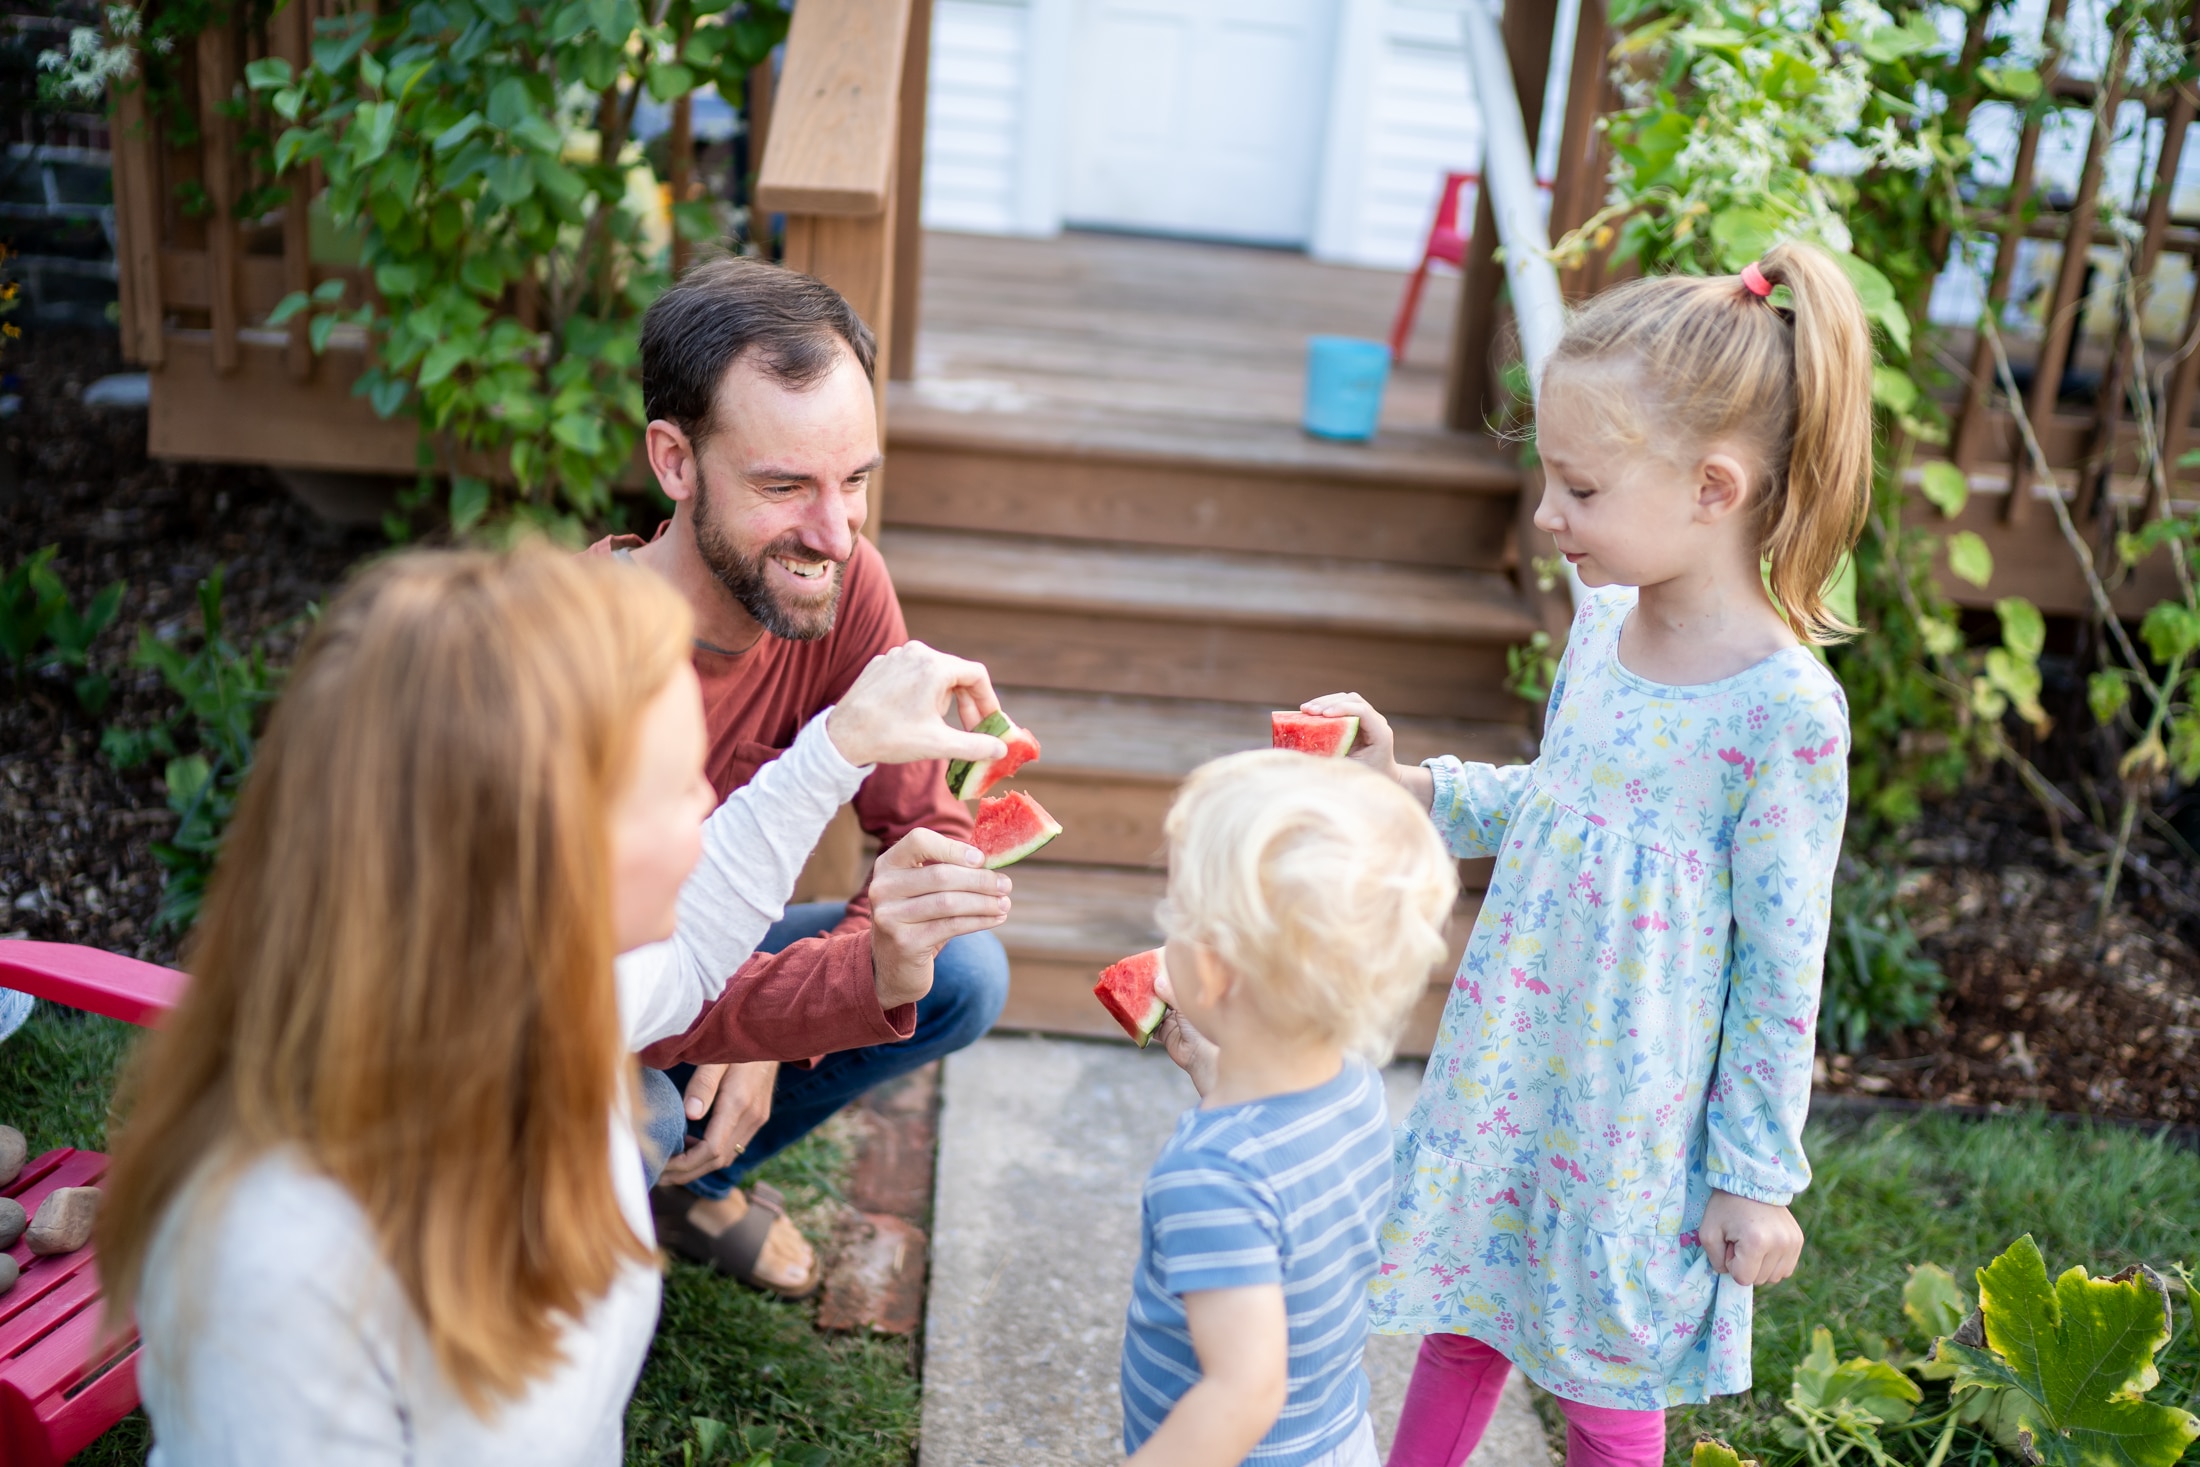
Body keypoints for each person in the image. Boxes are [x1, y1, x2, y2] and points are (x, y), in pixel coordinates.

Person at [95, 545, 1012, 1462]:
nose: (707, 802)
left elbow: (697, 939)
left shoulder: (552, 996)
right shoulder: (281, 1259)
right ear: (543, 840)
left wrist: (842, 748)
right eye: (673, 783)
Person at [1302, 242, 1871, 1467]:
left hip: (1634, 1127)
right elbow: (1563, 808)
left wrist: (1754, 1178)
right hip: (1511, 1067)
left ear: (1714, 489)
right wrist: (1413, 792)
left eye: (1583, 488)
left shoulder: (1781, 714)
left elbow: (1783, 969)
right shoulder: (1600, 631)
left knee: (1608, 1385)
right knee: (1461, 1325)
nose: (1549, 516)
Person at [593, 256, 1011, 1298]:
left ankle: (698, 1184)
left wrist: (778, 1022)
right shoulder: (578, 652)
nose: (835, 534)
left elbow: (924, 839)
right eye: (785, 487)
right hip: (572, 1005)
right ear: (674, 461)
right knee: (638, 1107)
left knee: (960, 973)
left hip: (691, 972)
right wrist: (768, 1013)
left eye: (856, 480)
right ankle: (615, 1195)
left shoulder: (841, 580)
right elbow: (600, 987)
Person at [1124, 751, 1459, 1467]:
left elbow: (1242, 1393)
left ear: (1211, 971)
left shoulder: (1208, 1174)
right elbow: (1290, 1188)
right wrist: (1214, 1072)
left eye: (1177, 912)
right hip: (1336, 1432)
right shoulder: (1357, 1090)